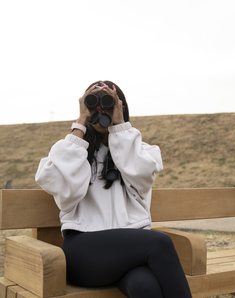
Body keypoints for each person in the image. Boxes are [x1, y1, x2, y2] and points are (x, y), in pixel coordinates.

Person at [35, 81, 192, 298]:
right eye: (94, 104)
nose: (101, 110)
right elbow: (57, 183)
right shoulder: (74, 152)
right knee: (160, 243)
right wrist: (80, 122)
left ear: (120, 107)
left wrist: (119, 125)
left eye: (109, 103)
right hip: (83, 252)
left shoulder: (141, 151)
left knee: (145, 287)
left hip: (127, 254)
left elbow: (142, 177)